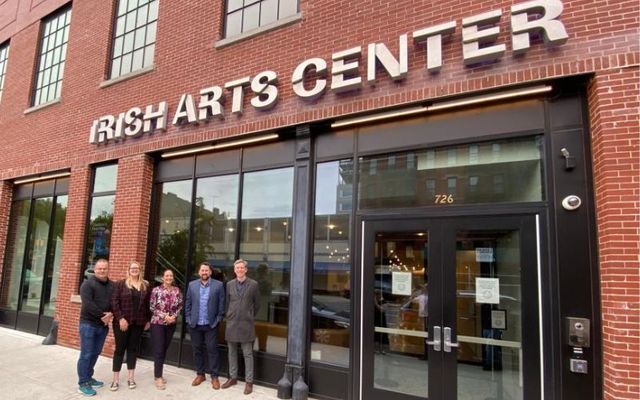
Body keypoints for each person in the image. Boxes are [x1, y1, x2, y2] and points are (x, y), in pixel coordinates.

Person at [109, 261, 151, 391]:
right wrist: (121, 318)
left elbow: (148, 305)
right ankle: (115, 380)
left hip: (138, 323)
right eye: (132, 268)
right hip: (122, 324)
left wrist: (148, 320)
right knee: (119, 350)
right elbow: (114, 303)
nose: (134, 270)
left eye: (136, 268)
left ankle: (131, 378)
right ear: (128, 270)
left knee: (133, 350)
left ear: (140, 270)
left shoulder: (145, 285)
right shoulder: (120, 284)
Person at [221, 259, 260, 395]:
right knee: (231, 352)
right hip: (232, 323)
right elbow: (227, 303)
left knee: (247, 354)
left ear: (246, 269)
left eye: (242, 268)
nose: (239, 270)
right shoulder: (230, 284)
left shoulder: (254, 284)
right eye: (237, 268)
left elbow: (257, 305)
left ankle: (249, 382)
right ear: (234, 270)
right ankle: (233, 378)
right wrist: (230, 314)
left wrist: (249, 315)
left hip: (246, 324)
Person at [185, 261, 225, 389]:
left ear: (210, 272)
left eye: (206, 270)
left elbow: (221, 304)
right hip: (195, 324)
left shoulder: (218, 285)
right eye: (202, 270)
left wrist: (218, 319)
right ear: (199, 272)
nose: (204, 272)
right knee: (197, 350)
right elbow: (188, 303)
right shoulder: (192, 285)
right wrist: (188, 319)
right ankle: (200, 374)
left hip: (210, 324)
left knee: (212, 350)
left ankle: (214, 376)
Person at [77, 258, 113, 396]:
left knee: (95, 353)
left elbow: (115, 302)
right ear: (95, 269)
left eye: (104, 268)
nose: (102, 270)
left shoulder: (112, 285)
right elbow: (88, 304)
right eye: (99, 268)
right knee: (86, 354)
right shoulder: (87, 284)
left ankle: (89, 377)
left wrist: (111, 313)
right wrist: (104, 316)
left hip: (102, 327)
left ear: (108, 269)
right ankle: (82, 383)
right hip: (88, 325)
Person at [149, 268, 183, 390]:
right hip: (158, 323)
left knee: (164, 349)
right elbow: (152, 307)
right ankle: (158, 377)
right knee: (159, 349)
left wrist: (173, 316)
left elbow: (180, 306)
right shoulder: (156, 290)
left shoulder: (177, 291)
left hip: (171, 324)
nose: (169, 278)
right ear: (163, 277)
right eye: (166, 276)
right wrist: (165, 316)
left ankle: (159, 373)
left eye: (171, 276)